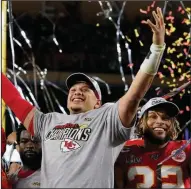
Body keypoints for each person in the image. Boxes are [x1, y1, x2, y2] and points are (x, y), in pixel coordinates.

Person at [2, 7, 166, 188]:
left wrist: (157, 49)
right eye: (73, 89)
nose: (77, 92)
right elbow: (14, 99)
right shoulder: (47, 121)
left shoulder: (107, 118)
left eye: (86, 89)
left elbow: (135, 95)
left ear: (98, 102)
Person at [115, 97, 191, 188]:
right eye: (153, 117)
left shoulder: (186, 148)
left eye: (165, 118)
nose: (159, 122)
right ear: (141, 123)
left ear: (172, 125)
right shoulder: (124, 153)